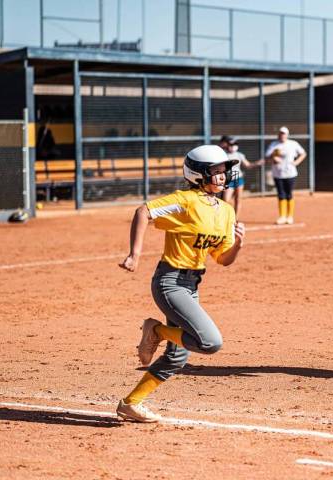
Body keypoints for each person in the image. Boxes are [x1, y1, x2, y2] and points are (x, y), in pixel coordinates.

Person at [116, 145, 245, 423]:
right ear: (197, 174)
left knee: (176, 358)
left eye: (224, 171)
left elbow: (222, 259)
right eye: (216, 172)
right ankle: (157, 331)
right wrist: (134, 254)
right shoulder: (185, 201)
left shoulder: (226, 211)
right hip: (169, 282)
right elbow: (143, 212)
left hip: (191, 286)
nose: (223, 176)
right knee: (210, 343)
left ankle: (130, 403)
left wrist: (238, 245)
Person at [265, 126, 306, 225]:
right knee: (281, 194)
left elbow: (303, 153)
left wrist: (296, 162)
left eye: (284, 133)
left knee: (289, 194)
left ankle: (290, 216)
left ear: (287, 135)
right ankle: (282, 216)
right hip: (278, 173)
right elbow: (267, 155)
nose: (282, 135)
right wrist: (274, 157)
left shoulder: (293, 144)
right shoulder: (274, 144)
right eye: (280, 133)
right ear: (278, 134)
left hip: (290, 173)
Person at [218, 135, 264, 219]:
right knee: (226, 200)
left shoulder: (239, 155)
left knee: (238, 200)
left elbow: (248, 165)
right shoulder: (223, 155)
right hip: (228, 180)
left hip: (239, 179)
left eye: (235, 144)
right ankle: (229, 216)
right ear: (227, 145)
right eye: (231, 144)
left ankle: (236, 219)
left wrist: (258, 163)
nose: (233, 146)